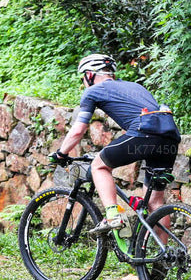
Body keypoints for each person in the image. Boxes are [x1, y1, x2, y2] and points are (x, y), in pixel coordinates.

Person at [50, 53, 181, 235]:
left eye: (83, 78)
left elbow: (79, 130)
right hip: (170, 137)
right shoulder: (136, 86)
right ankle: (165, 257)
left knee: (99, 166)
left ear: (89, 74)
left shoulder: (93, 91)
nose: (84, 82)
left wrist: (61, 153)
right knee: (155, 203)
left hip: (144, 134)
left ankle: (113, 215)